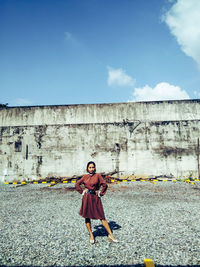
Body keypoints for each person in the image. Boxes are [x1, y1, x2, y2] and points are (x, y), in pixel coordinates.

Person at [75, 161, 118, 244]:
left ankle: (110, 234)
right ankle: (91, 234)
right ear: (87, 168)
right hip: (87, 198)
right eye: (90, 167)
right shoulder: (85, 177)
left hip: (95, 198)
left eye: (93, 167)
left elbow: (104, 184)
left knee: (101, 216)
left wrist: (100, 193)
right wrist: (82, 191)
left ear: (95, 168)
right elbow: (77, 185)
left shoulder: (98, 176)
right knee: (87, 217)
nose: (91, 169)